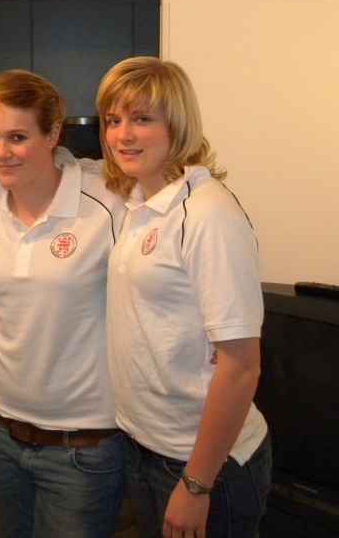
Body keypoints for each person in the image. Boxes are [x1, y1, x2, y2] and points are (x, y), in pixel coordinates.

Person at [97, 57, 271, 538]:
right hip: (147, 447)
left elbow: (241, 366)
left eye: (142, 119)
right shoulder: (140, 205)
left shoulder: (207, 214)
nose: (122, 135)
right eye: (113, 120)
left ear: (178, 124)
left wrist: (196, 484)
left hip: (204, 464)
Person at [0, 70, 127, 538]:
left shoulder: (111, 201)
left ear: (53, 134)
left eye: (18, 137)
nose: (1, 152)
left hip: (81, 448)